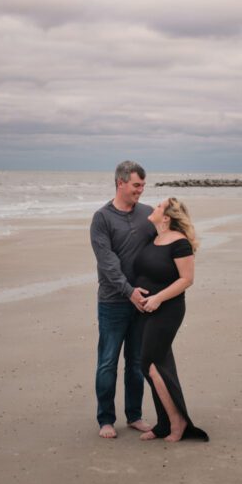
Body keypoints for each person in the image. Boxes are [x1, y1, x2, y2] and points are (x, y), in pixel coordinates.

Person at [134, 196, 209, 442]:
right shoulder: (154, 238)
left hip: (167, 310)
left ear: (166, 217)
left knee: (150, 363)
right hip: (145, 311)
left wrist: (158, 298)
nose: (153, 207)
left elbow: (187, 279)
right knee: (159, 366)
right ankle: (164, 424)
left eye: (158, 206)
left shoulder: (180, 243)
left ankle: (178, 422)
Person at [90, 160, 156, 439]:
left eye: (143, 185)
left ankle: (134, 415)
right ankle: (106, 419)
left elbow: (163, 245)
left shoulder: (148, 214)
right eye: (136, 185)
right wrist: (128, 291)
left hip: (143, 302)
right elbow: (107, 263)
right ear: (120, 183)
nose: (141, 190)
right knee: (107, 361)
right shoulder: (102, 218)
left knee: (136, 362)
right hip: (113, 302)